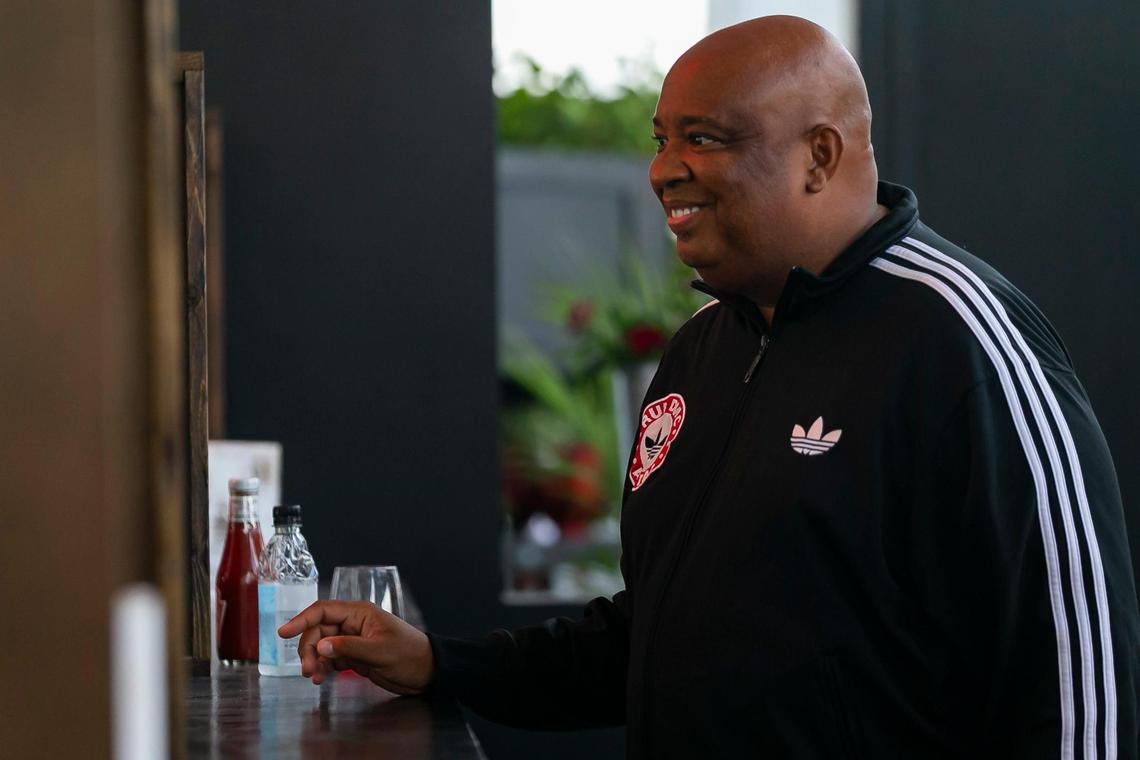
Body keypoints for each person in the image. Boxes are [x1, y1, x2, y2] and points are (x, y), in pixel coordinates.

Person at [278, 15, 1140, 758]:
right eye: (661, 139)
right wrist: (438, 662)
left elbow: (1079, 686)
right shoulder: (701, 351)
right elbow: (655, 637)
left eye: (706, 138)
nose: (664, 170)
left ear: (820, 156)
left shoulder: (963, 343)